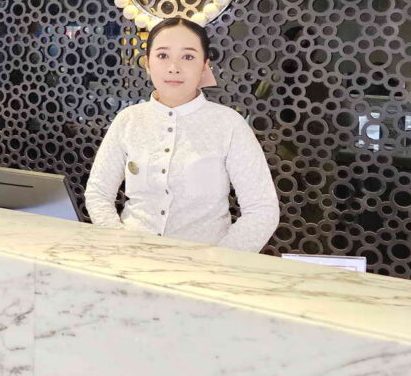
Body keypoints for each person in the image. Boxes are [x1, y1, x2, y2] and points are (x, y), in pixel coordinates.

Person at [84, 17, 279, 252]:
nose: (173, 67)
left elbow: (262, 210)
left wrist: (219, 261)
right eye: (162, 55)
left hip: (204, 264)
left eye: (188, 57)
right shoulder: (128, 120)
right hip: (130, 258)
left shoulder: (229, 125)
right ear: (147, 63)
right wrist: (119, 244)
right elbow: (98, 193)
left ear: (204, 65)